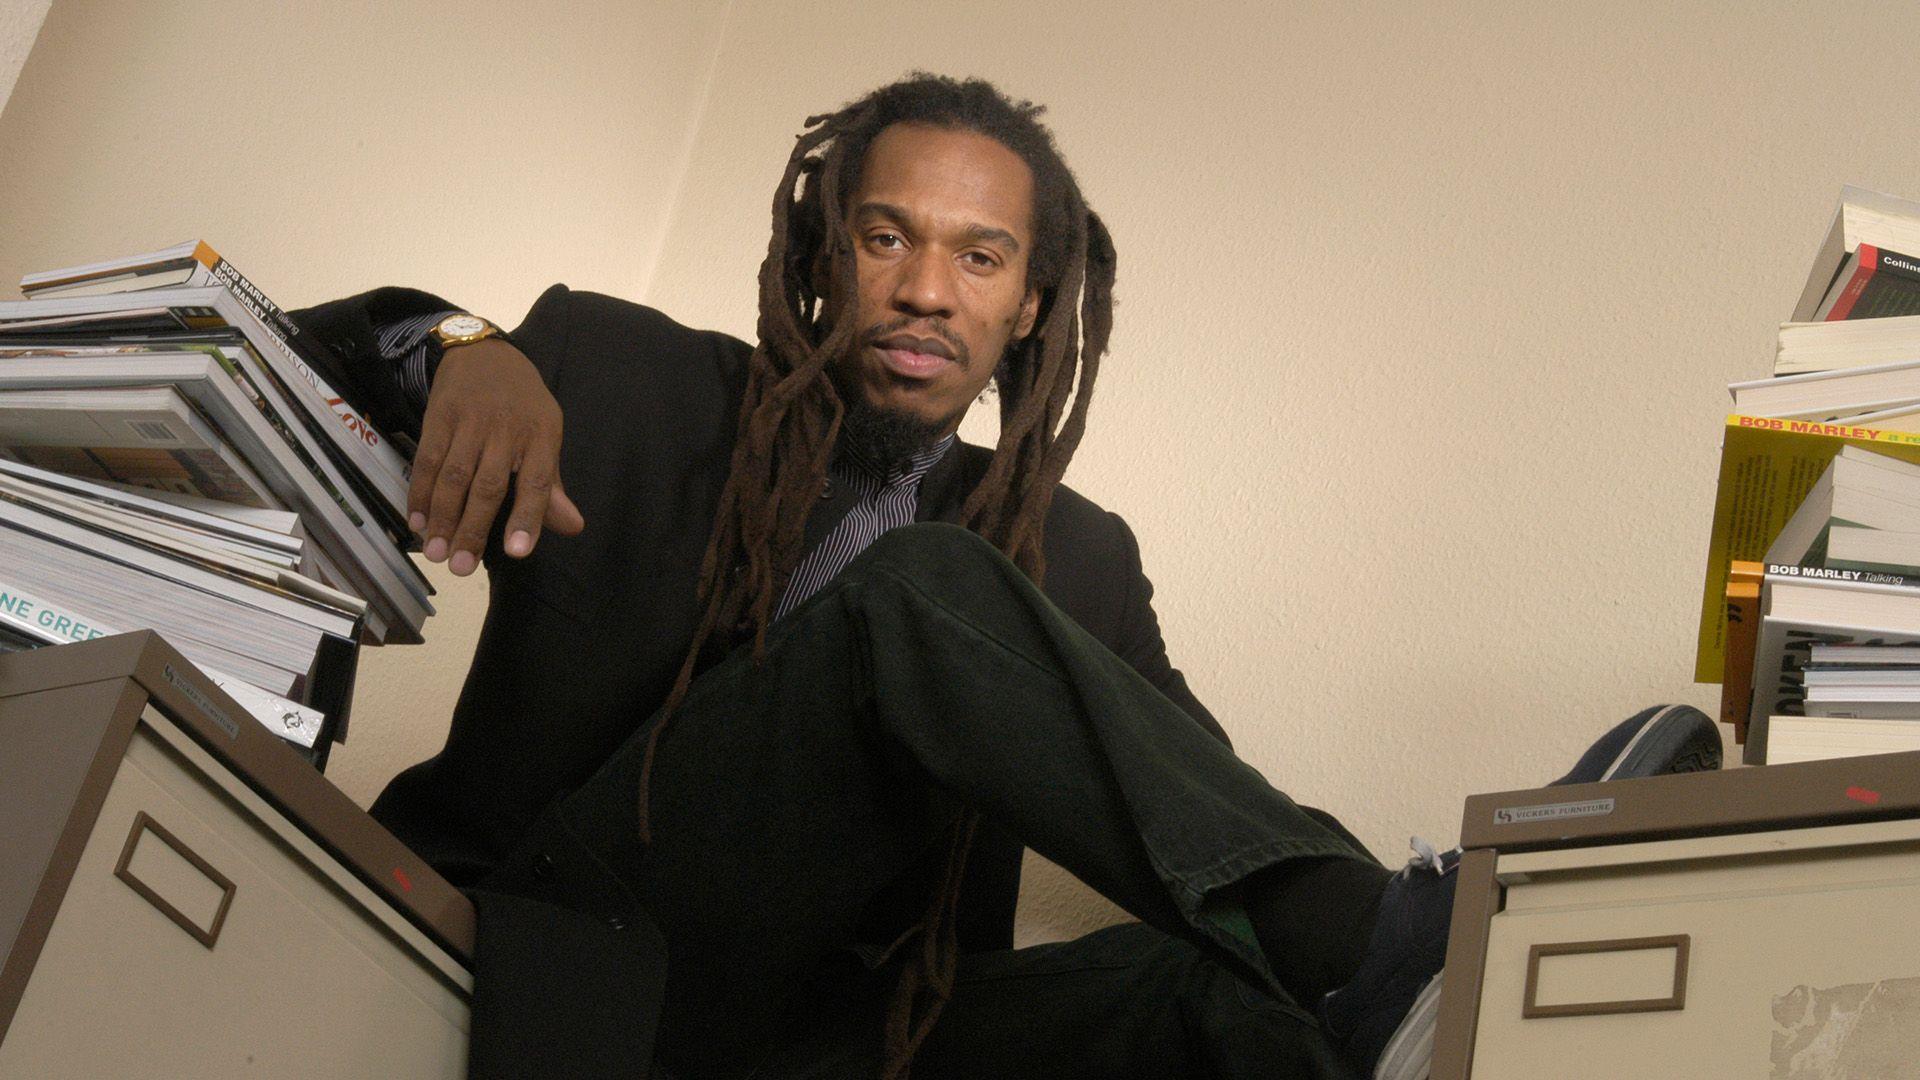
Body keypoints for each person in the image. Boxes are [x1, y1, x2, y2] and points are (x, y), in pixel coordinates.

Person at [291, 74, 1721, 1080]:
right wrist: (451, 343)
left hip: (841, 1045)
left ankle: (1464, 1010)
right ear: (819, 253)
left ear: (1031, 301)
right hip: (571, 937)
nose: (929, 290)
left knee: (1209, 1009)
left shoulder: (1078, 556)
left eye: (982, 257)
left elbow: (1206, 811)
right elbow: (242, 363)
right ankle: (1416, 948)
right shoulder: (619, 373)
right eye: (887, 236)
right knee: (925, 587)